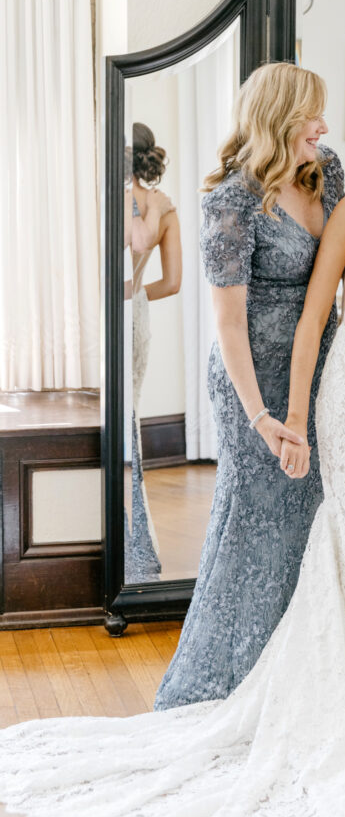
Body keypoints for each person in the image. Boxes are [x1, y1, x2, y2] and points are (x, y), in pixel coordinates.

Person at [0, 96, 345, 817]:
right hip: (329, 390)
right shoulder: (330, 205)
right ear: (281, 116)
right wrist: (280, 416)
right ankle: (273, 686)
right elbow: (291, 318)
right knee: (333, 539)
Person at [154, 63, 344, 709]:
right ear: (280, 118)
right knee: (255, 520)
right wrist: (260, 415)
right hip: (252, 381)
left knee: (311, 517)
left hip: (322, 370)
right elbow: (228, 324)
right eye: (312, 114)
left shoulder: (329, 173)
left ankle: (301, 676)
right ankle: (230, 680)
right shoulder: (229, 201)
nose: (323, 125)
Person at [124, 122, 181, 584]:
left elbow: (138, 242)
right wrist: (135, 294)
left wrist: (116, 296)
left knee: (118, 416)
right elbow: (173, 281)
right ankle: (136, 534)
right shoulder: (164, 205)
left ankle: (127, 539)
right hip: (137, 312)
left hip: (119, 315)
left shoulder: (121, 197)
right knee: (132, 415)